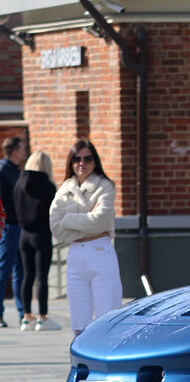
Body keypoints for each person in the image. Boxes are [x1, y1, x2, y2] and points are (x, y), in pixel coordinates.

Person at [49, 140, 122, 336]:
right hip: (75, 256)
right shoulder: (64, 189)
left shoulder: (105, 186)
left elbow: (99, 221)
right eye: (77, 159)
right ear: (70, 162)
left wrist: (69, 218)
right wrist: (86, 220)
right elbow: (56, 228)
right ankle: (82, 364)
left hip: (100, 252)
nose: (82, 163)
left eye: (87, 158)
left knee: (107, 317)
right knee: (79, 322)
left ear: (95, 162)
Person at [14, 151, 59, 331]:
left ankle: (26, 317)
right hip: (41, 234)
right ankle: (43, 317)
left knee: (27, 276)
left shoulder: (19, 184)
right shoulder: (48, 186)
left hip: (24, 234)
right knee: (42, 278)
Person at [0, 137, 27, 327]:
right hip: (9, 227)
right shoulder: (3, 170)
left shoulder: (16, 171)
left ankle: (23, 313)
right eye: (23, 149)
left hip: (20, 226)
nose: (25, 152)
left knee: (21, 272)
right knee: (3, 270)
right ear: (15, 151)